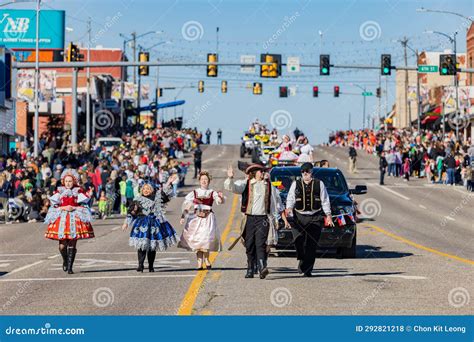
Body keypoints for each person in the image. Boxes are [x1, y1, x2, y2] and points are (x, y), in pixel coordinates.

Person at [224, 163, 284, 279]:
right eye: (260, 171)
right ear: (254, 173)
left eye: (263, 171)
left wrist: (275, 219)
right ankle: (250, 269)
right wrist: (230, 177)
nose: (262, 173)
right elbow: (232, 188)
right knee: (249, 244)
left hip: (263, 219)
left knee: (260, 244)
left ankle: (262, 268)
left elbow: (273, 204)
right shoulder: (246, 184)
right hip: (249, 218)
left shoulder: (269, 186)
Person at [284, 162, 334, 277]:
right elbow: (290, 198)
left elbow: (325, 200)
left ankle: (308, 269)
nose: (305, 173)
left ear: (312, 172)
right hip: (299, 216)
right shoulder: (295, 184)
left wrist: (328, 215)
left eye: (308, 171)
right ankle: (302, 259)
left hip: (315, 217)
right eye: (303, 172)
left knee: (312, 244)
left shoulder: (319, 184)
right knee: (298, 241)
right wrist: (289, 208)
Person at [44, 169, 94, 274]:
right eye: (66, 181)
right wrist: (64, 207)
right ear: (63, 181)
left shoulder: (78, 191)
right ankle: (65, 260)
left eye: (70, 181)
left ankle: (70, 267)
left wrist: (75, 207)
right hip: (62, 218)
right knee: (62, 245)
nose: (68, 183)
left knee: (72, 242)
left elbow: (83, 203)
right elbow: (55, 205)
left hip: (75, 218)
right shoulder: (59, 191)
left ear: (74, 181)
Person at [122, 181, 178, 272]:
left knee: (152, 246)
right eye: (144, 189)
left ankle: (151, 266)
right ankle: (140, 265)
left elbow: (165, 195)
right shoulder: (137, 200)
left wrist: (168, 182)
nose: (146, 190)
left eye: (148, 189)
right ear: (141, 190)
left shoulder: (156, 198)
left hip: (153, 224)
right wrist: (126, 223)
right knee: (141, 246)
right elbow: (132, 212)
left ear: (151, 190)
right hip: (141, 224)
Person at [178, 171, 224, 269]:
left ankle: (206, 259)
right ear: (199, 181)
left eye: (206, 179)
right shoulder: (194, 193)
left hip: (208, 218)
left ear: (209, 181)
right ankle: (199, 262)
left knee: (206, 239)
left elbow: (219, 201)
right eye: (202, 179)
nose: (204, 181)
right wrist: (183, 216)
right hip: (196, 218)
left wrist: (220, 197)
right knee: (197, 240)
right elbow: (188, 205)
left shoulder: (212, 192)